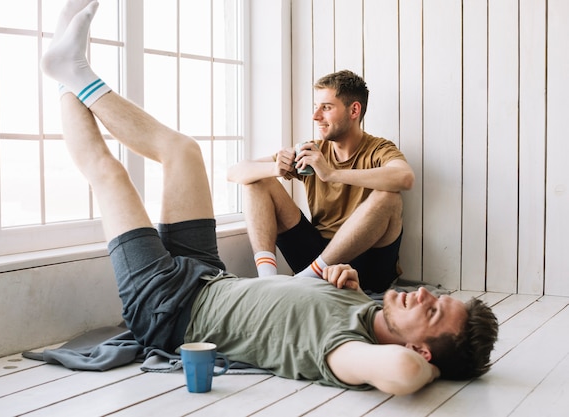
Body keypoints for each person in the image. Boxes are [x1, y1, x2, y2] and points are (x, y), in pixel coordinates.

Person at [41, 0, 499, 396]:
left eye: (434, 309)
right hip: (213, 279)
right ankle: (69, 67)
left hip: (167, 308)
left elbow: (402, 372)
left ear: (421, 349)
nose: (422, 293)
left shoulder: (346, 351)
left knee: (111, 175)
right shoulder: (358, 306)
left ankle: (72, 73)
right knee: (184, 152)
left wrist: (431, 362)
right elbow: (239, 174)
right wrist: (350, 292)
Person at [227, 70, 414, 293]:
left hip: (367, 267)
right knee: (258, 179)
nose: (316, 116)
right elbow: (234, 172)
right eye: (316, 107)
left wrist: (331, 173)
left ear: (354, 110)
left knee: (390, 197)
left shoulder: (379, 149)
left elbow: (405, 178)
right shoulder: (311, 150)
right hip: (316, 260)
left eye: (326, 107)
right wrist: (274, 168)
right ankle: (268, 282)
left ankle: (303, 280)